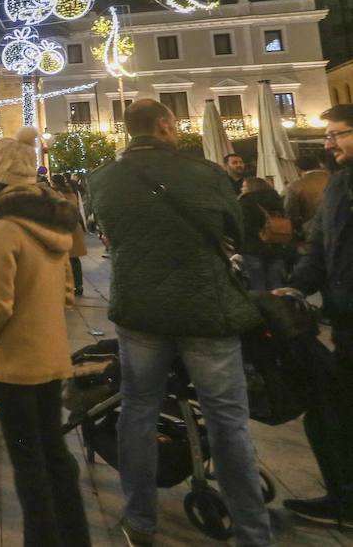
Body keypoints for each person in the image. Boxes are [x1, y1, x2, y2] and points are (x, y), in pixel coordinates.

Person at [89, 99, 271, 547]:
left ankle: (140, 521)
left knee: (137, 410)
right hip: (205, 309)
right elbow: (239, 232)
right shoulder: (205, 173)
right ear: (167, 127)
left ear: (128, 131)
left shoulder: (103, 180)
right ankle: (252, 531)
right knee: (227, 420)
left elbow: (109, 233)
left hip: (141, 311)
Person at [0, 127, 91, 546]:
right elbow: (66, 293)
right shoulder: (52, 223)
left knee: (27, 459)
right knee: (55, 454)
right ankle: (76, 537)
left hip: (13, 364)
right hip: (49, 356)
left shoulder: (4, 228)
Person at [277, 104, 353, 526]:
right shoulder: (340, 185)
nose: (328, 142)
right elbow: (320, 248)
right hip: (346, 321)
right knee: (332, 412)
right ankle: (343, 495)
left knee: (334, 413)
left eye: (337, 134)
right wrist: (295, 286)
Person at [238, 176, 290, 291]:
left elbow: (245, 225)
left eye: (244, 186)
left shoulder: (245, 201)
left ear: (251, 187)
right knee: (276, 284)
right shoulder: (276, 199)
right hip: (276, 244)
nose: (242, 189)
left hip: (253, 248)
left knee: (258, 285)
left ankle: (265, 308)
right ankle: (280, 307)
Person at [51, 173, 88, 297]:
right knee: (74, 260)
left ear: (54, 183)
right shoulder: (71, 193)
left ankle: (69, 286)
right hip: (74, 228)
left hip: (64, 229)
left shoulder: (57, 195)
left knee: (64, 260)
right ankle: (78, 285)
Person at [285, 154, 331, 244]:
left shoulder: (296, 186)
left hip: (312, 232)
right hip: (341, 227)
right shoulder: (336, 178)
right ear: (318, 165)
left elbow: (291, 214)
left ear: (298, 169)